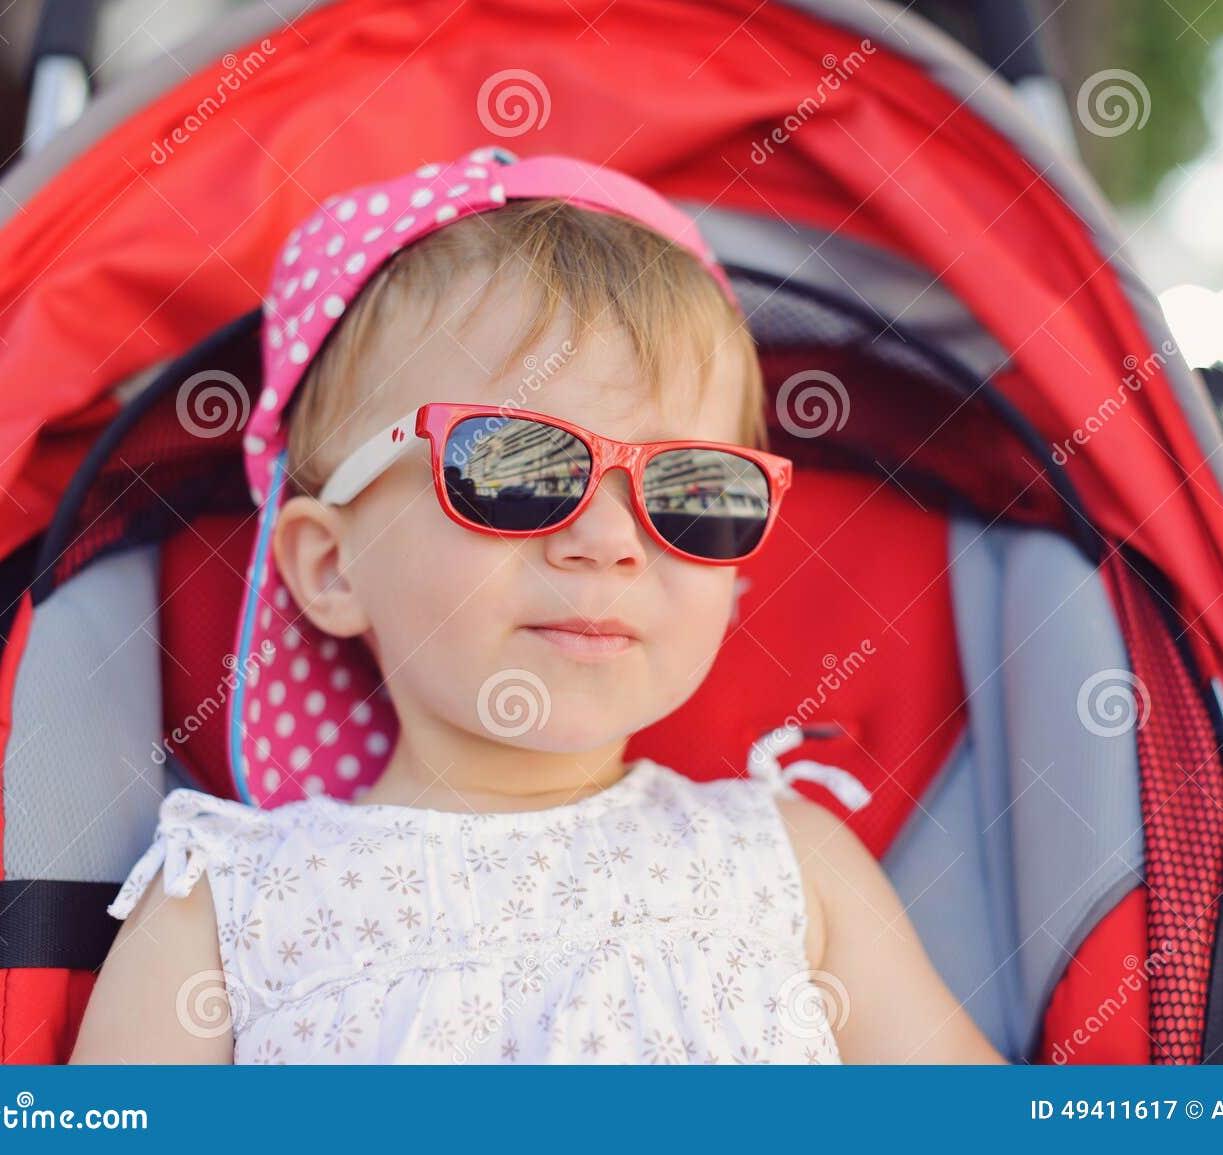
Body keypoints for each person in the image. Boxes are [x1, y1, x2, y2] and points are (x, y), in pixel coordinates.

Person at [70, 146, 1006, 1066]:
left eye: (688, 489)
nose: (610, 541)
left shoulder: (789, 867)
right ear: (332, 566)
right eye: (517, 469)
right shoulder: (233, 907)